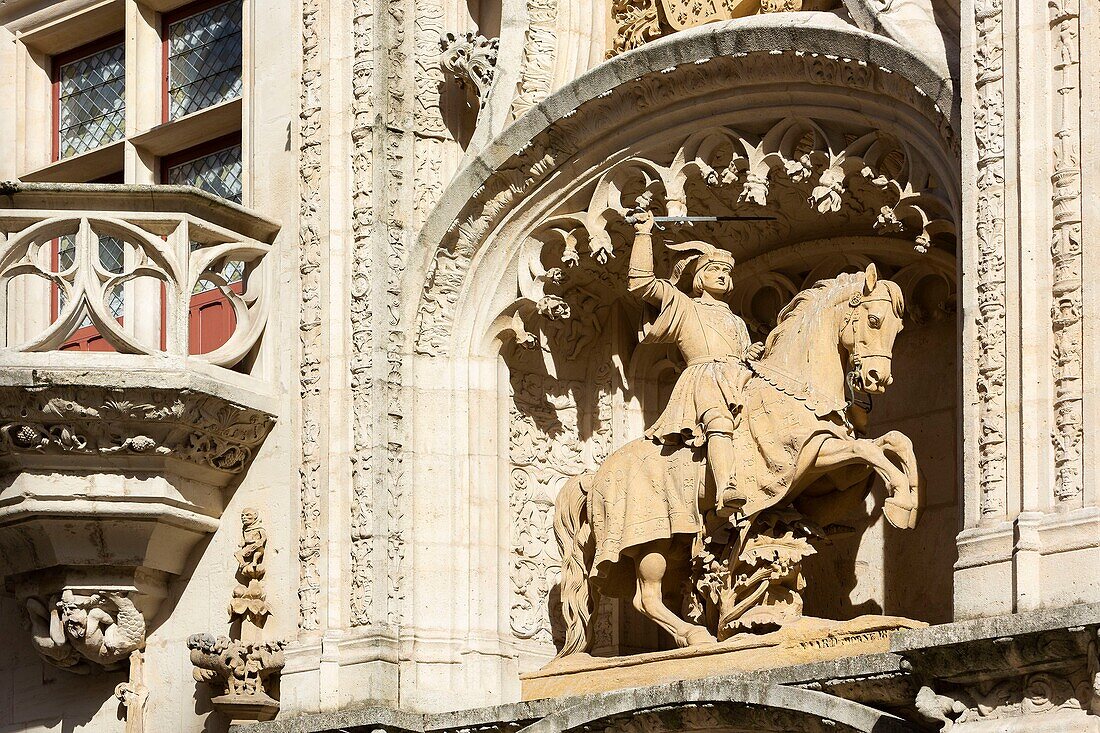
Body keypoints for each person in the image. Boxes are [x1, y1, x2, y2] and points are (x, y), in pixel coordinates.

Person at [627, 204, 763, 516]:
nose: (723, 276)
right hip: (705, 378)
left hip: (738, 378)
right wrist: (643, 233)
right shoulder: (685, 306)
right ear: (700, 277)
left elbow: (741, 354)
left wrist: (750, 354)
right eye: (716, 270)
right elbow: (641, 283)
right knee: (718, 419)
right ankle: (726, 488)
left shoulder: (737, 320)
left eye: (727, 272)